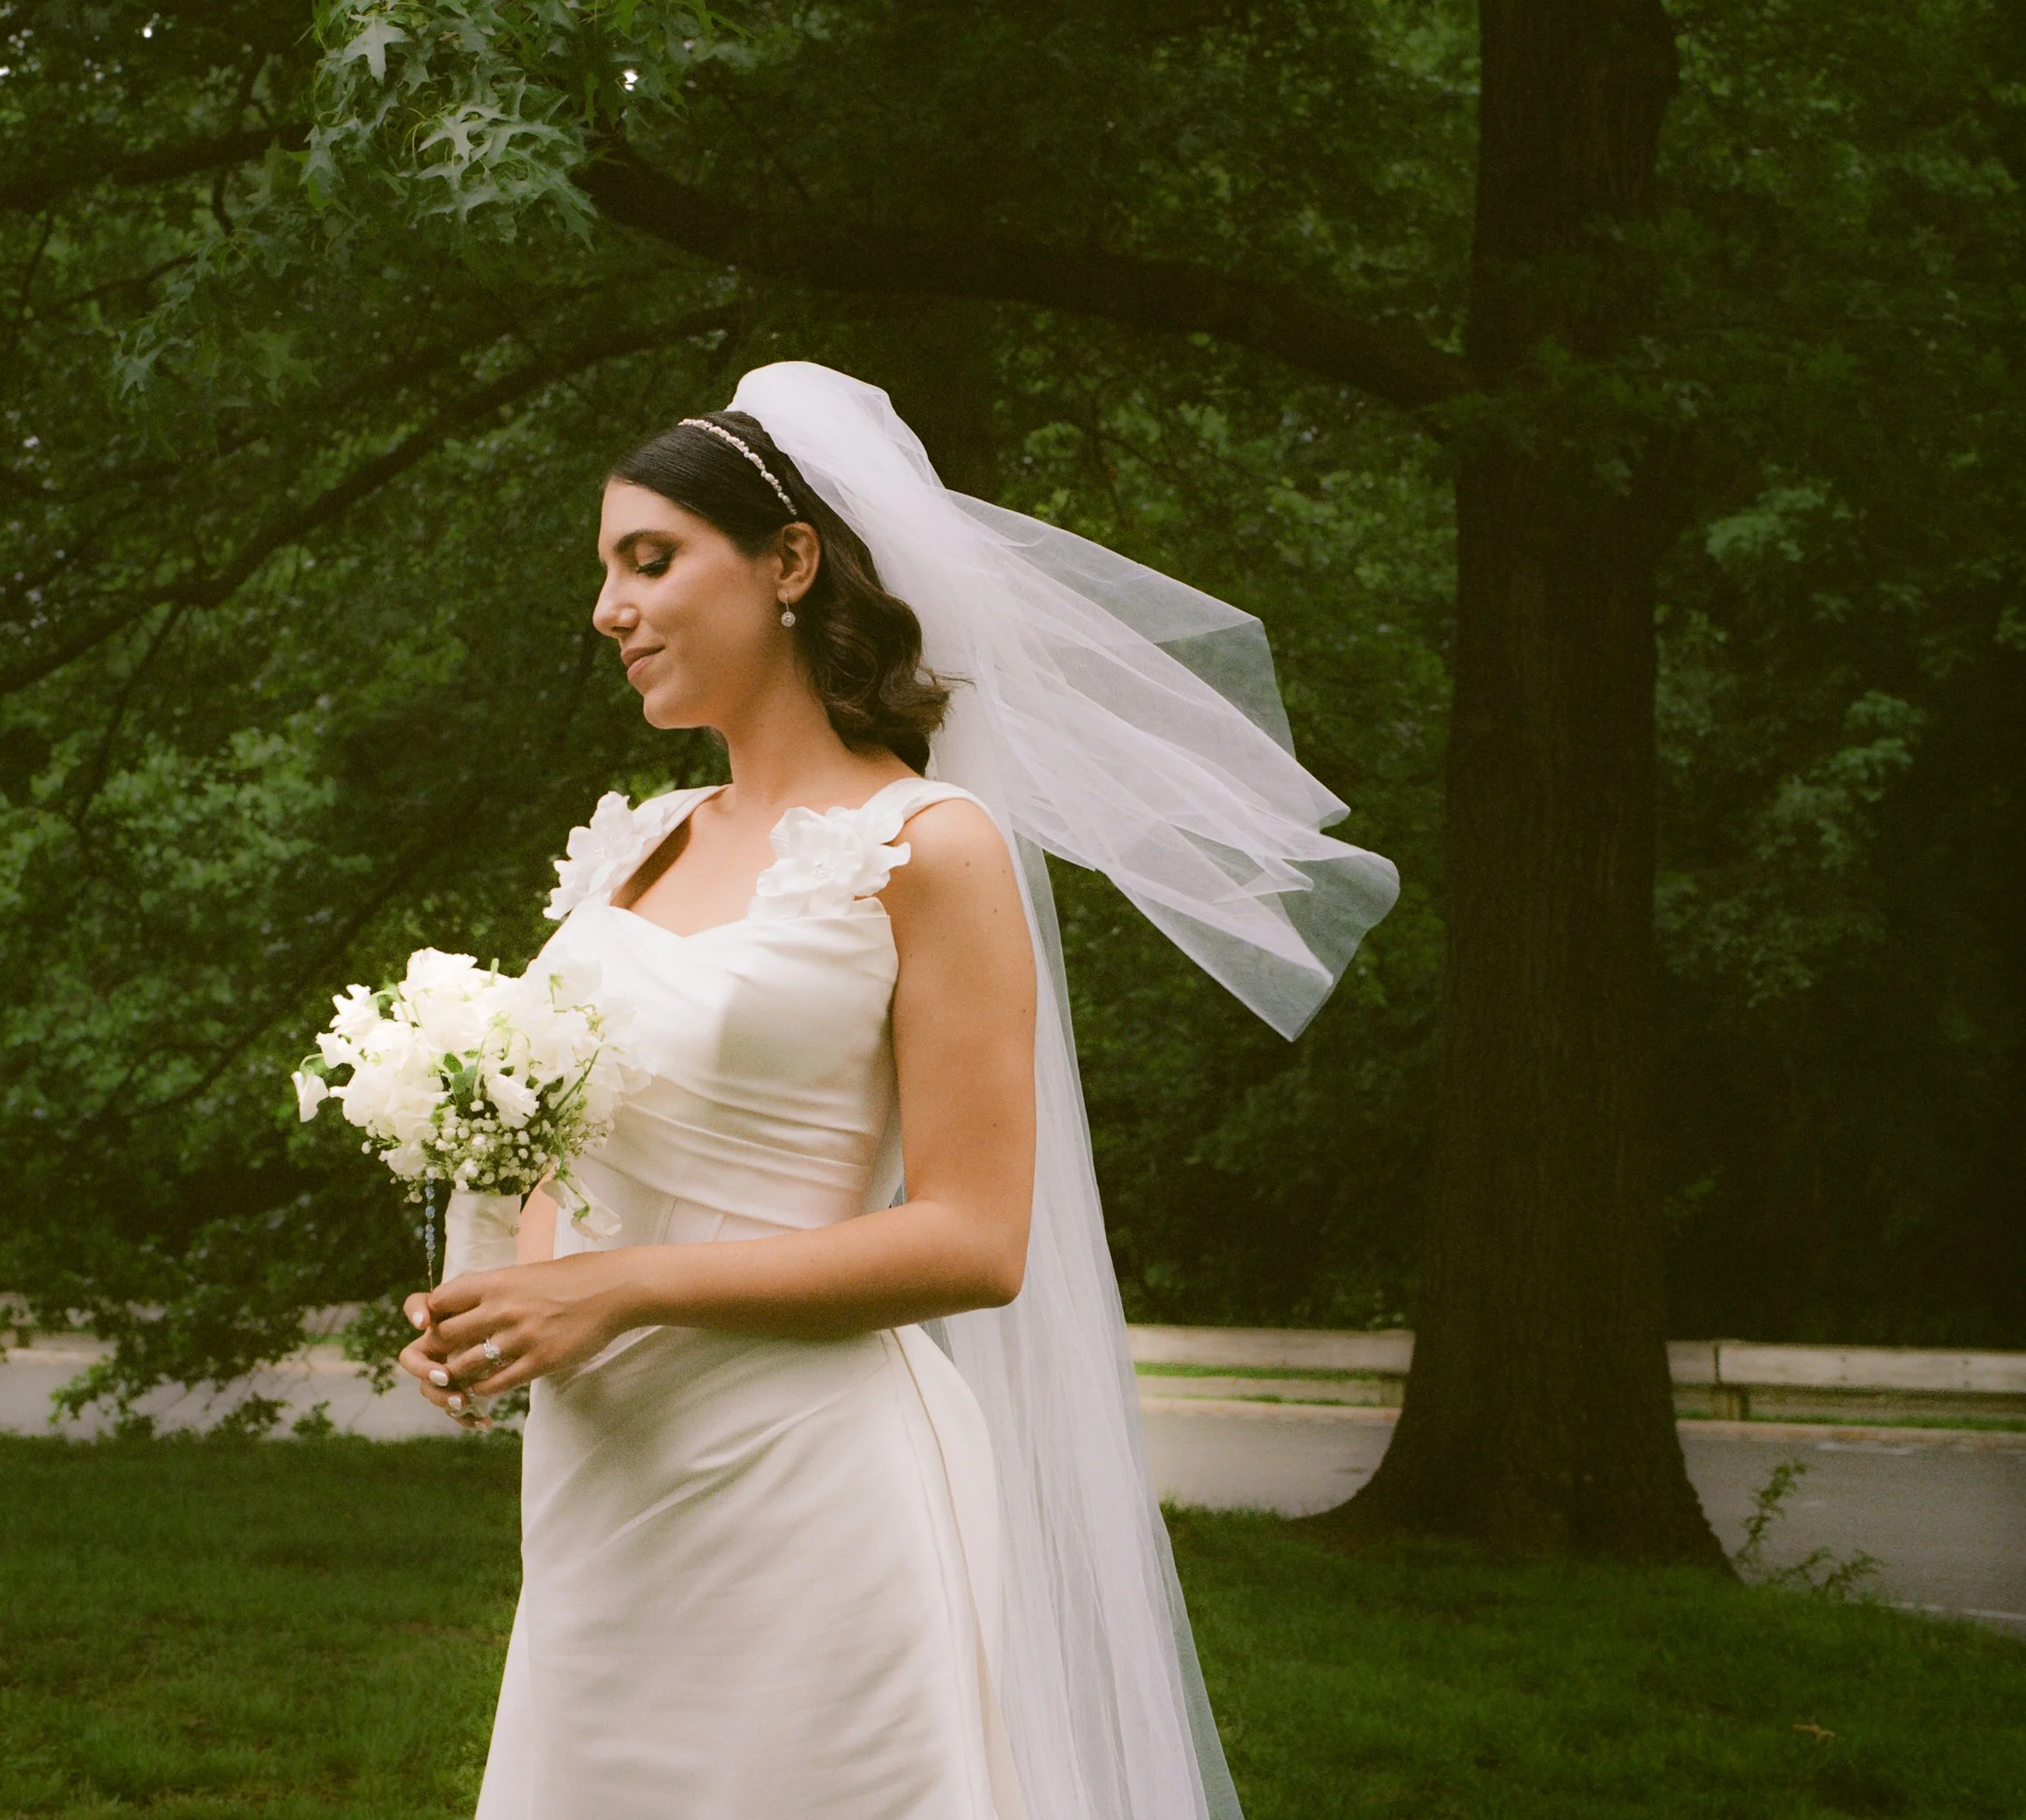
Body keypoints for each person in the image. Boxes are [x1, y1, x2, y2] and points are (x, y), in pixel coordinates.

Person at [399, 363, 1399, 1820]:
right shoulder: (638, 847)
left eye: (650, 559)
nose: (608, 609)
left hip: (807, 1488)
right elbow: (568, 1147)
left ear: (790, 562)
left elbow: (976, 1240)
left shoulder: (932, 845)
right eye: (604, 571)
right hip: (605, 1497)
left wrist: (617, 1293)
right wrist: (495, 1306)